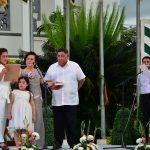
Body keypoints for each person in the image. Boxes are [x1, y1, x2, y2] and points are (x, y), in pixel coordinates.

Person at [44, 48, 86, 149]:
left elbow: (82, 79)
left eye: (62, 56)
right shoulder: (52, 67)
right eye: (58, 56)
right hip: (57, 100)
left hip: (71, 100)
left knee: (71, 123)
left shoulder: (75, 66)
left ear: (67, 56)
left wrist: (75, 89)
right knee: (58, 123)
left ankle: (73, 143)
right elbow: (45, 81)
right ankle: (58, 143)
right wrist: (51, 84)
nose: (60, 58)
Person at [20, 52, 45, 149]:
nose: (29, 61)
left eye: (32, 59)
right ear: (25, 60)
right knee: (26, 119)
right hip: (25, 99)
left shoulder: (38, 71)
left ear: (35, 61)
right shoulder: (21, 71)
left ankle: (38, 144)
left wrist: (51, 83)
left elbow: (44, 82)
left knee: (38, 119)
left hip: (37, 98)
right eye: (28, 59)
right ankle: (26, 143)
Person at [7, 76, 36, 147]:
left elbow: (32, 104)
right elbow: (11, 103)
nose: (21, 84)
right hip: (16, 113)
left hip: (26, 112)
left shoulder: (29, 93)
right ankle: (17, 145)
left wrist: (33, 115)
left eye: (23, 82)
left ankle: (23, 145)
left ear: (27, 84)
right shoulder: (14, 92)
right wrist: (9, 113)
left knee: (24, 128)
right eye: (19, 82)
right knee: (16, 128)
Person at [138, 56, 150, 143]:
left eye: (148, 61)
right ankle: (147, 139)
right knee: (145, 118)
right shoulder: (139, 75)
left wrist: (146, 70)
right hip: (143, 97)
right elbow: (139, 87)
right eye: (144, 62)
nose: (146, 63)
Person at [0, 48, 10, 150]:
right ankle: (1, 141)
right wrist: (2, 72)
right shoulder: (1, 67)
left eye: (7, 56)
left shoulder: (7, 67)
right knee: (1, 117)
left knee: (4, 118)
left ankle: (2, 139)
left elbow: (8, 82)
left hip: (7, 94)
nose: (6, 58)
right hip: (0, 94)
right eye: (3, 56)